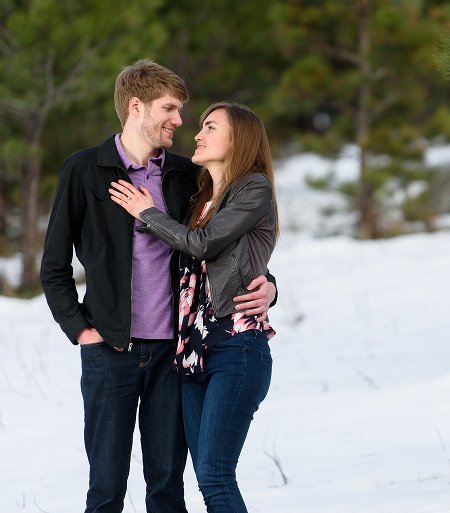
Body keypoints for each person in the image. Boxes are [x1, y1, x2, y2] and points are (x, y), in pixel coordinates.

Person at [40, 60, 277, 513]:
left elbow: (227, 247)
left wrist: (269, 287)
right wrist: (82, 330)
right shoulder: (85, 170)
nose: (179, 121)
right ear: (136, 106)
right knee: (105, 489)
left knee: (167, 488)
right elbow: (53, 266)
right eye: (169, 108)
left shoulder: (189, 175)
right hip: (110, 348)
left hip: (177, 352)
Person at [109, 101, 277, 513]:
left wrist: (146, 213)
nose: (197, 134)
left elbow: (203, 245)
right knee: (205, 478)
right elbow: (213, 267)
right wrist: (270, 284)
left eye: (210, 126)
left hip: (236, 350)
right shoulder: (199, 199)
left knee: (217, 476)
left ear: (238, 139)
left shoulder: (253, 188)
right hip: (192, 356)